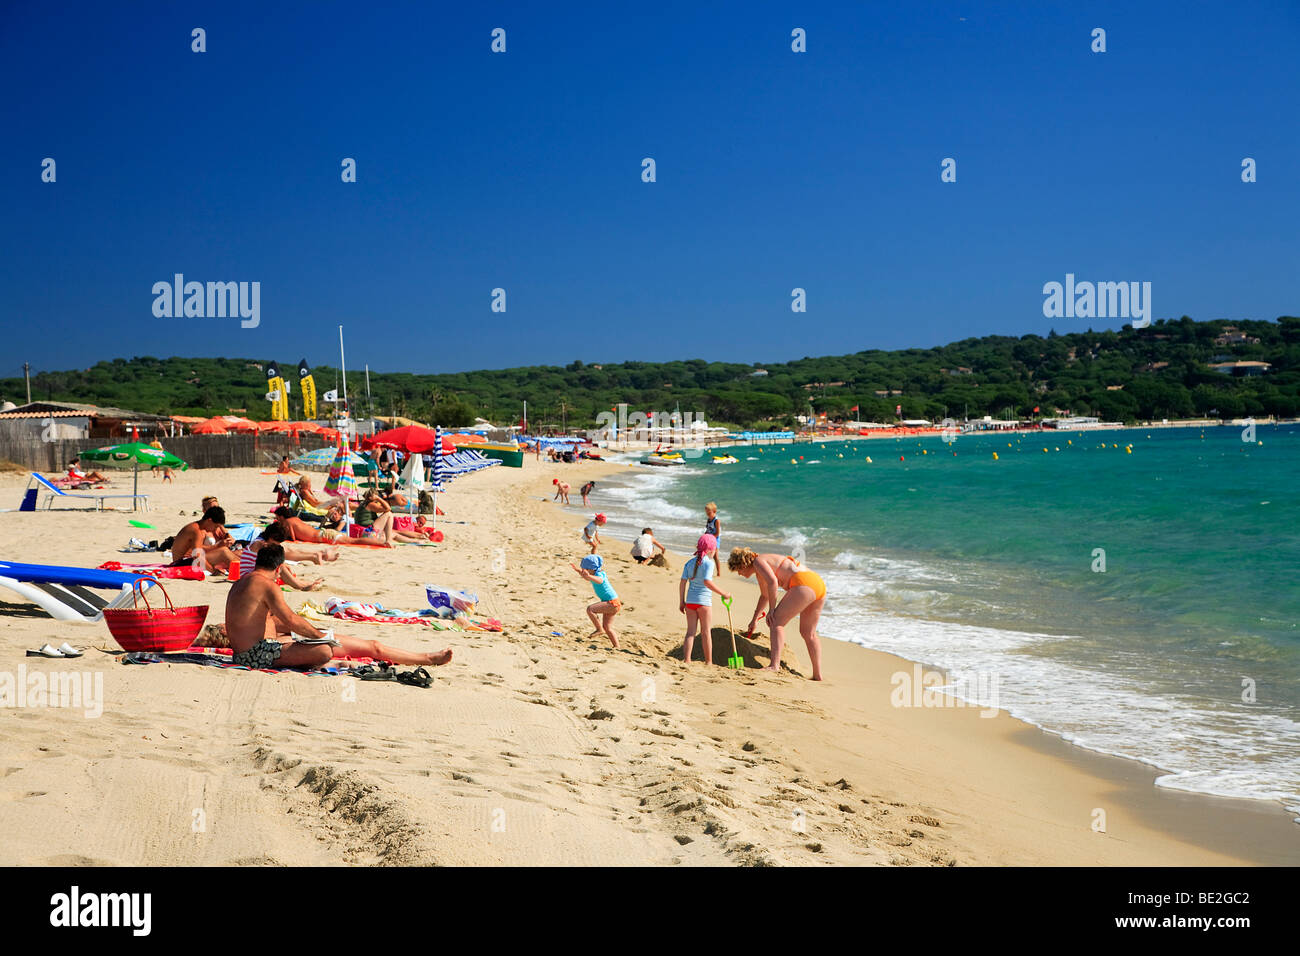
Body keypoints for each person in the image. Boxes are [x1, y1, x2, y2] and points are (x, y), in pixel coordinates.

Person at [225, 544, 452, 669]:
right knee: (325, 648)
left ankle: (427, 658)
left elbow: (258, 623)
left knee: (369, 646)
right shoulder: (267, 585)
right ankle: (427, 658)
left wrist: (311, 634)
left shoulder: (242, 582)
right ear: (280, 567)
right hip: (256, 656)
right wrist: (319, 636)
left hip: (252, 651)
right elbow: (290, 620)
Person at [727, 548, 826, 681]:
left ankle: (774, 665)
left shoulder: (758, 561)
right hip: (817, 584)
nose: (739, 573)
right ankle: (817, 675)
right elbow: (765, 595)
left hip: (803, 583)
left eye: (737, 569)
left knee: (776, 622)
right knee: (808, 633)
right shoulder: (760, 568)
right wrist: (755, 619)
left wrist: (772, 610)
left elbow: (773, 582)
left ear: (743, 565)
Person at [679, 534, 730, 665]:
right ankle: (708, 661)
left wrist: (682, 601)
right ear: (710, 550)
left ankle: (687, 660)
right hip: (703, 603)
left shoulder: (689, 563)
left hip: (690, 602)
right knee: (706, 632)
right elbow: (707, 582)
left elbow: (683, 583)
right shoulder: (709, 563)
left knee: (690, 632)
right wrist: (723, 593)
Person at [238, 524, 323, 590]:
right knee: (281, 567)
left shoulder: (260, 540)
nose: (276, 545)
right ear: (270, 537)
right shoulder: (260, 544)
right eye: (276, 542)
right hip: (248, 577)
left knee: (281, 566)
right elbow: (282, 555)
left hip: (249, 575)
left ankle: (300, 583)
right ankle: (300, 585)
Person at [569, 554, 620, 647]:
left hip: (612, 603)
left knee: (590, 609)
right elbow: (586, 577)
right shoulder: (592, 574)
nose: (584, 571)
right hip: (613, 603)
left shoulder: (599, 574)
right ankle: (616, 646)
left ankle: (599, 629)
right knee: (608, 628)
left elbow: (599, 580)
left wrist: (588, 576)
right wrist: (578, 571)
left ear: (592, 568)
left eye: (586, 569)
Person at [169, 506, 238, 572]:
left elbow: (200, 550)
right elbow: (197, 556)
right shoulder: (196, 531)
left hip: (189, 560)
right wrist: (213, 571)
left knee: (238, 552)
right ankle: (245, 570)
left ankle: (244, 568)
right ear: (209, 520)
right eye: (216, 526)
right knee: (224, 552)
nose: (215, 529)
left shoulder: (199, 528)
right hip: (182, 564)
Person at [351, 491, 428, 546]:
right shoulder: (371, 504)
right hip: (368, 532)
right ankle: (388, 541)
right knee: (389, 514)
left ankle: (416, 541)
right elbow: (387, 508)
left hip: (366, 532)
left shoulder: (364, 504)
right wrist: (378, 498)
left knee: (394, 534)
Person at [273, 506, 370, 548]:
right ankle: (382, 542)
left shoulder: (288, 522)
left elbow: (293, 538)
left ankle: (383, 543)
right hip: (323, 533)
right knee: (353, 540)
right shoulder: (295, 519)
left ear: (281, 516)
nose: (277, 520)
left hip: (324, 536)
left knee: (354, 541)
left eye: (277, 518)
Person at [704, 503, 722, 568]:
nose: (708, 515)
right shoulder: (708, 520)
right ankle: (706, 567)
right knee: (706, 553)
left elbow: (717, 533)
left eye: (709, 513)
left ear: (714, 511)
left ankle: (718, 572)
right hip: (709, 538)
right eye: (706, 513)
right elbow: (707, 530)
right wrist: (705, 537)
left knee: (715, 556)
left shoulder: (717, 521)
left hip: (716, 539)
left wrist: (710, 538)